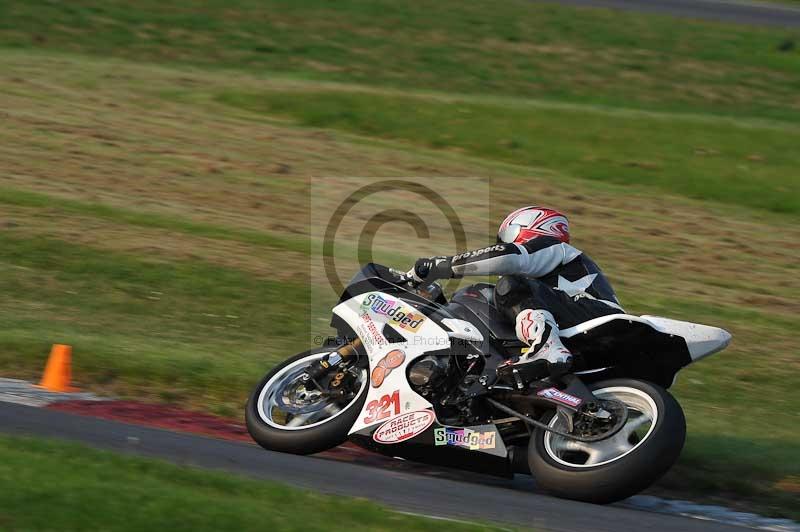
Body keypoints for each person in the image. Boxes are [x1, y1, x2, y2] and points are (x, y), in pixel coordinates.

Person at [410, 206, 623, 385]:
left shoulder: (556, 248)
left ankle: (546, 348)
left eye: (503, 240)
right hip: (592, 338)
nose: (501, 244)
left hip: (593, 320)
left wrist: (442, 266)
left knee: (509, 285)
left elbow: (507, 257)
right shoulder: (556, 276)